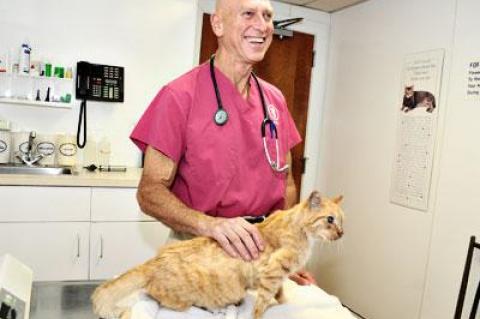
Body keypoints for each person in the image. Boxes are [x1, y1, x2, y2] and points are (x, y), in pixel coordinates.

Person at [130, 0, 315, 286]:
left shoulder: (274, 100)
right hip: (198, 249)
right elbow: (149, 192)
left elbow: (287, 182)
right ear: (218, 24)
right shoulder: (179, 96)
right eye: (249, 14)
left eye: (267, 16)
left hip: (260, 248)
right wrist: (211, 225)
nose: (263, 25)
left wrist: (283, 247)